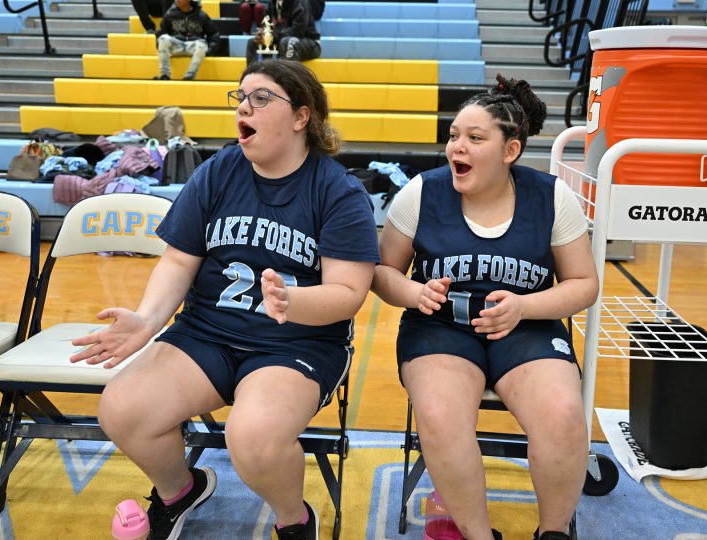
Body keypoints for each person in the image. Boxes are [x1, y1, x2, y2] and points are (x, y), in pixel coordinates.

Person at [70, 59, 380, 540]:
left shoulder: (338, 191)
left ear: (301, 117)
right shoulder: (219, 170)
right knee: (121, 409)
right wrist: (148, 321)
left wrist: (292, 303)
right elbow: (178, 261)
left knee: (252, 437)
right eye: (240, 97)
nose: (244, 108)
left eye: (261, 98)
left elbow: (349, 293)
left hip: (296, 344)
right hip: (207, 334)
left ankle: (294, 521)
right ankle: (179, 491)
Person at [371, 75, 598, 540]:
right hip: (441, 326)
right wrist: (414, 293)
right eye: (455, 135)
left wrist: (525, 306)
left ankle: (554, 531)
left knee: (562, 414)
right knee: (440, 415)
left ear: (510, 150)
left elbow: (583, 284)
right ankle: (477, 534)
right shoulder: (421, 192)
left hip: (527, 326)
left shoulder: (552, 196)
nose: (458, 146)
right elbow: (381, 272)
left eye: (475, 138)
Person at [153, 0, 220, 81]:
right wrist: (160, 45)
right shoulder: (170, 14)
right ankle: (164, 75)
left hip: (193, 47)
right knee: (163, 38)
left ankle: (189, 76)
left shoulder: (201, 15)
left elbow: (214, 34)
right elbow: (161, 32)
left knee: (202, 44)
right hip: (176, 46)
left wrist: (210, 50)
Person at [247, 0, 321, 64]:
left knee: (287, 42)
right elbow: (267, 26)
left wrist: (273, 36)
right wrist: (263, 34)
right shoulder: (272, 3)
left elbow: (298, 31)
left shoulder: (300, 2)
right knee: (253, 43)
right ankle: (253, 74)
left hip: (308, 42)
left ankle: (290, 76)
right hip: (280, 40)